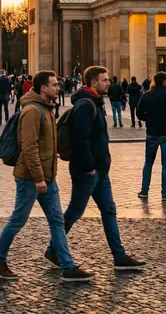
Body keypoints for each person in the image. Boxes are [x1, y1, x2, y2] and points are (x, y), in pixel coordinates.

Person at [0, 70, 93, 283]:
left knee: (57, 220)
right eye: (54, 85)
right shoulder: (32, 111)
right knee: (18, 219)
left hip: (47, 176)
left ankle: (67, 266)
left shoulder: (46, 108)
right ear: (43, 88)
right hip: (31, 177)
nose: (58, 88)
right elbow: (29, 148)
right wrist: (38, 178)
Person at [45, 66, 146, 272]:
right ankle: (53, 250)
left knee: (109, 210)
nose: (109, 83)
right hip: (87, 171)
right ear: (93, 82)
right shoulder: (85, 105)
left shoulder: (96, 102)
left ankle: (119, 256)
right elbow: (80, 139)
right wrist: (90, 167)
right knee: (74, 212)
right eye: (105, 80)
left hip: (100, 170)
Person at [136, 72, 166, 201]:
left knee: (148, 163)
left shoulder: (146, 95)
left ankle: (144, 191)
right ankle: (165, 193)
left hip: (152, 132)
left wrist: (148, 119)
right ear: (165, 81)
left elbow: (139, 113)